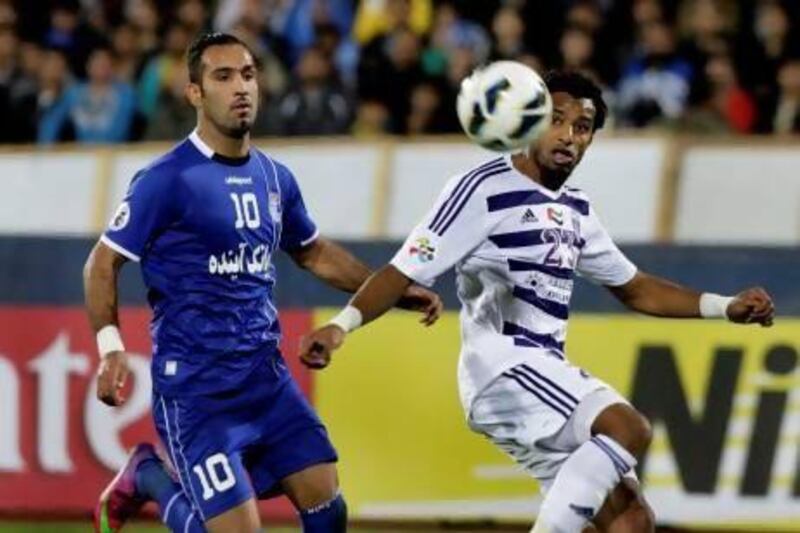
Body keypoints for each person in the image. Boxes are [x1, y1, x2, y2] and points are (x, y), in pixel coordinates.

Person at [299, 70, 775, 532]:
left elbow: (635, 287)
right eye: (556, 119)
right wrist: (341, 326)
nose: (568, 135)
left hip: (543, 375)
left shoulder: (577, 209)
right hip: (502, 369)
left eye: (582, 127)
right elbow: (402, 271)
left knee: (631, 521)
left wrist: (723, 305)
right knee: (627, 427)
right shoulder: (481, 188)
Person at [84, 32, 442, 533]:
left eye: (248, 75)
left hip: (264, 379)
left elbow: (313, 252)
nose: (241, 87)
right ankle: (149, 475)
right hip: (197, 392)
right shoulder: (166, 179)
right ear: (195, 93)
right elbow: (102, 263)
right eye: (223, 76)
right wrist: (110, 347)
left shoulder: (275, 178)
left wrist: (393, 290)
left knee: (327, 509)